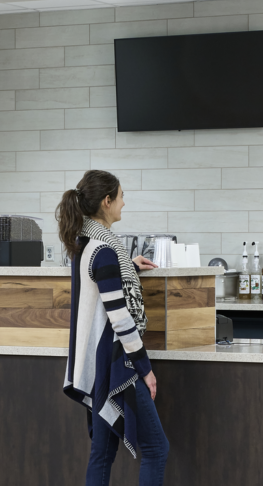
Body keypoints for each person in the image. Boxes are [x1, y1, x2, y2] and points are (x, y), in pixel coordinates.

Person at [58, 169, 168, 486]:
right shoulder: (105, 252)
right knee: (156, 449)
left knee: (102, 454)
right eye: (121, 197)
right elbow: (119, 318)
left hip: (94, 367)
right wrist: (145, 368)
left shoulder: (85, 245)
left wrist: (128, 266)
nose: (124, 203)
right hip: (115, 366)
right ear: (107, 201)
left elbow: (101, 286)